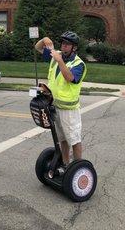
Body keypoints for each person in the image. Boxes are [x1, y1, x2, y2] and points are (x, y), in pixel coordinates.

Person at [35, 31, 87, 166]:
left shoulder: (78, 64)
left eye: (67, 44)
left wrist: (59, 60)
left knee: (74, 140)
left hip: (69, 110)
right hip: (54, 106)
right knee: (62, 139)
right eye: (63, 43)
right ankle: (65, 164)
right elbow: (38, 48)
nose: (64, 46)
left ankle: (78, 167)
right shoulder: (56, 55)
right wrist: (45, 39)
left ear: (74, 47)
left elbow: (70, 78)